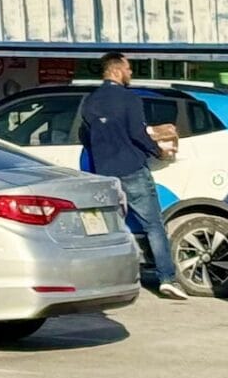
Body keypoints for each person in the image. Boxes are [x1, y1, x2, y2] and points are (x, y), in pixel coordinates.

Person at [78, 51, 187, 300]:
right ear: (116, 70)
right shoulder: (130, 100)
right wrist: (157, 151)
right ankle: (167, 279)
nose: (131, 73)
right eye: (128, 69)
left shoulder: (90, 101)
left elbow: (85, 136)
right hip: (132, 169)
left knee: (110, 228)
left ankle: (107, 279)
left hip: (105, 175)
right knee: (154, 225)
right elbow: (138, 134)